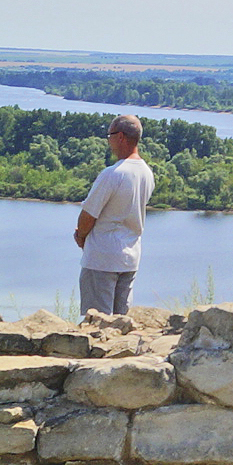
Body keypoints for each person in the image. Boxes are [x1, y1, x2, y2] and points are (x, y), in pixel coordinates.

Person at [73, 114, 154, 316]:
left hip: (102, 258)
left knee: (97, 324)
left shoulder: (113, 174)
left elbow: (88, 215)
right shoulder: (147, 173)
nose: (108, 141)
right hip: (130, 257)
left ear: (120, 137)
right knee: (120, 323)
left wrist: (81, 236)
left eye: (109, 135)